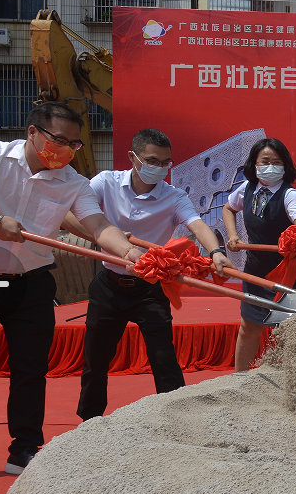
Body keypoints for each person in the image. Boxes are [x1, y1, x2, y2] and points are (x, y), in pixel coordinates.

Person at [0, 102, 144, 491]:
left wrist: (131, 254)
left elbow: (98, 225)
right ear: (33, 132)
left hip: (31, 281)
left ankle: (25, 448)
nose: (65, 150)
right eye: (58, 139)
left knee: (31, 367)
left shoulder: (72, 182)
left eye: (73, 143)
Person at [66, 129, 229, 421]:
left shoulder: (174, 195)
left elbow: (197, 225)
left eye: (166, 162)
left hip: (150, 288)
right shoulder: (106, 183)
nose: (160, 168)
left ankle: (178, 418)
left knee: (164, 358)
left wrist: (216, 251)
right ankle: (89, 422)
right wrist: (107, 237)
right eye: (152, 160)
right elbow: (71, 214)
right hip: (109, 286)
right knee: (95, 360)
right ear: (133, 158)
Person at [223, 138, 296, 372]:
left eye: (277, 162)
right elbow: (228, 208)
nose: (270, 166)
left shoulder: (289, 194)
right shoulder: (246, 189)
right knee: (249, 326)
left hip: (286, 271)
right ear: (254, 164)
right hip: (256, 269)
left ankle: (292, 379)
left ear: (285, 166)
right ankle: (239, 379)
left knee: (287, 330)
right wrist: (233, 236)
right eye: (265, 161)